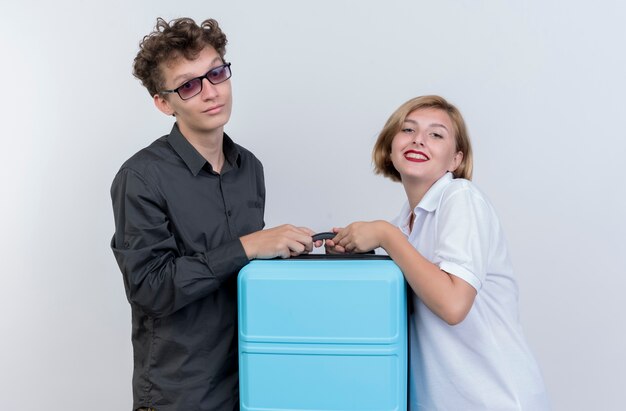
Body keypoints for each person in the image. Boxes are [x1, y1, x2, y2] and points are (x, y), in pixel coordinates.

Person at [110, 17, 318, 411]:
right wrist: (246, 246)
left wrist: (301, 255)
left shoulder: (250, 169)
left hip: (251, 382)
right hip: (181, 394)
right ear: (163, 102)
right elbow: (150, 289)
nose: (211, 92)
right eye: (189, 85)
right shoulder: (140, 177)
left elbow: (247, 274)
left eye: (216, 73)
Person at [326, 95, 550, 410]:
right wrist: (350, 255)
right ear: (391, 148)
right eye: (408, 130)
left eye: (436, 134)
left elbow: (453, 304)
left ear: (455, 160)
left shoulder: (460, 198)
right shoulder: (404, 225)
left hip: (493, 399)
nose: (419, 140)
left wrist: (385, 236)